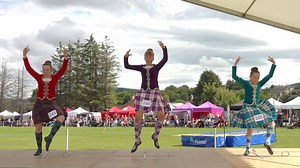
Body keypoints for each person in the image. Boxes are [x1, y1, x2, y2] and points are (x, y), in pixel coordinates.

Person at [124, 40, 169, 153]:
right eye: (147, 57)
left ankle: (155, 135)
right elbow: (127, 66)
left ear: (153, 58)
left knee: (161, 115)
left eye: (150, 57)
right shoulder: (141, 67)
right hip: (144, 94)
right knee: (138, 116)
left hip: (154, 93)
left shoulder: (156, 67)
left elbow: (165, 59)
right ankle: (137, 139)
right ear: (145, 58)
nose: (148, 59)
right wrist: (126, 57)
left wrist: (164, 48)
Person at [23, 46, 69, 156]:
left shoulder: (55, 77)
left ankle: (49, 138)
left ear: (51, 70)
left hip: (51, 104)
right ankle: (39, 149)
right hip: (39, 104)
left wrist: (66, 57)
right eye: (44, 70)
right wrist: (25, 57)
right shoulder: (39, 77)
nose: (45, 72)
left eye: (47, 70)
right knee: (38, 126)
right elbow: (29, 69)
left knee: (61, 117)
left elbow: (63, 69)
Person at [231, 56, 277, 156]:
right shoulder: (246, 84)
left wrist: (273, 64)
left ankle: (268, 141)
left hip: (257, 107)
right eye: (254, 77)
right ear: (250, 77)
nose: (256, 79)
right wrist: (235, 65)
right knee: (250, 128)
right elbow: (234, 77)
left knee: (272, 122)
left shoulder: (260, 84)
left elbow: (269, 76)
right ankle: (247, 149)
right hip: (247, 108)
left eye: (258, 78)